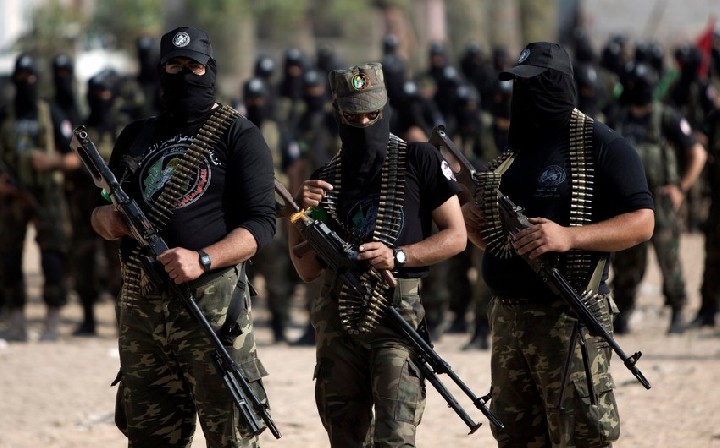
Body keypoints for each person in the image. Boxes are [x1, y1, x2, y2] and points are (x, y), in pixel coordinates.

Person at [89, 26, 277, 446]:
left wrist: (202, 258)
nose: (184, 75)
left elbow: (262, 224)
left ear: (210, 70)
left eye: (194, 66)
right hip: (143, 312)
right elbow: (99, 213)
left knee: (230, 436)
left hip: (211, 311)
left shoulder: (238, 134)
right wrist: (109, 221)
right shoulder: (136, 136)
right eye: (174, 66)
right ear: (161, 72)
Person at [462, 42, 655, 446]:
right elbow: (502, 243)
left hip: (569, 320)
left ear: (558, 86)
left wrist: (569, 237)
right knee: (515, 438)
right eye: (519, 84)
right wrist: (476, 226)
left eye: (535, 84)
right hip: (510, 322)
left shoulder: (604, 146)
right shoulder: (515, 154)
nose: (525, 95)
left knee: (581, 437)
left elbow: (642, 222)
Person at [288, 62, 466, 447]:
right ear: (338, 114)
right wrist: (299, 214)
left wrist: (397, 256)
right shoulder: (326, 178)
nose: (365, 124)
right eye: (354, 117)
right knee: (345, 435)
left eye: (373, 115)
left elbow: (456, 237)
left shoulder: (419, 159)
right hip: (338, 317)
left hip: (396, 315)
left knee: (395, 435)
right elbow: (305, 268)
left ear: (385, 109)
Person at [611, 62, 707, 335]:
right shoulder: (620, 119)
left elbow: (697, 153)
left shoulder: (667, 118)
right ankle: (623, 312)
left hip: (661, 201)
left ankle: (677, 309)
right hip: (628, 202)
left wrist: (681, 188)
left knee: (669, 258)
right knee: (627, 260)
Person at [0, 53, 76, 342]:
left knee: (53, 257)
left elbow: (75, 158)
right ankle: (16, 321)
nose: (26, 82)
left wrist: (50, 161)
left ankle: (51, 322)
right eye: (21, 77)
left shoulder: (50, 113)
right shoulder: (5, 113)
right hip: (11, 198)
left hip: (47, 196)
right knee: (8, 258)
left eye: (30, 77)